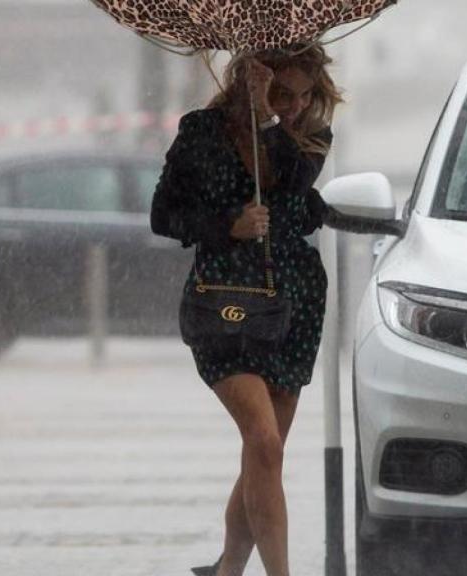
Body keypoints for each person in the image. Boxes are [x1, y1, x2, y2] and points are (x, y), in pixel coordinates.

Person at [150, 45, 341, 576]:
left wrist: (267, 117)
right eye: (283, 93)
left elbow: (290, 180)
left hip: (294, 303)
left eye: (306, 95)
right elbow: (163, 215)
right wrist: (226, 224)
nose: (296, 106)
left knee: (265, 455)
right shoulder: (201, 132)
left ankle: (227, 570)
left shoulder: (311, 135)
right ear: (249, 79)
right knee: (262, 440)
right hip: (225, 303)